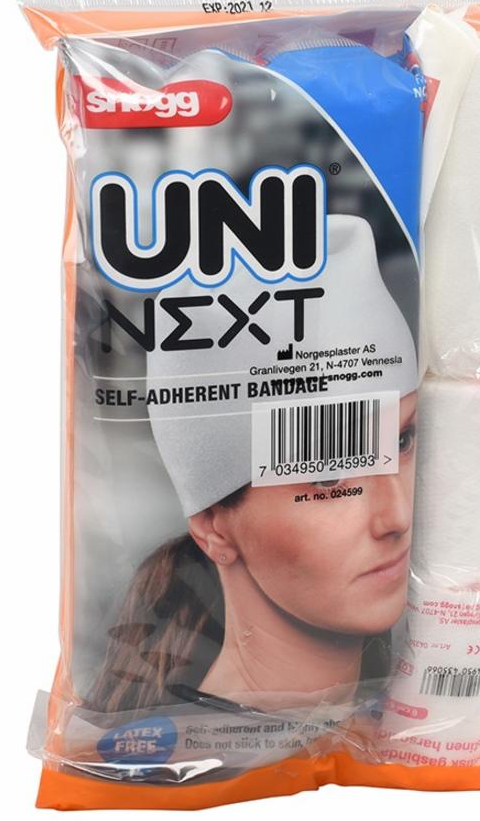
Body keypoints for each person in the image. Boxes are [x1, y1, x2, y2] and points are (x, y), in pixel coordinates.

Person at [89, 214, 419, 715]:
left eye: (403, 440)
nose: (397, 517)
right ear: (212, 525)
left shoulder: (406, 719)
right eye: (328, 474)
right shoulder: (182, 751)